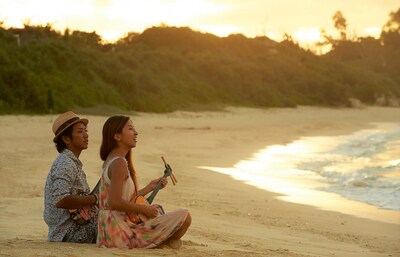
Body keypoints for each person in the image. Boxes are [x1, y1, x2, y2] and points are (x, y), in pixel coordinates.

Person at [97, 115, 191, 249]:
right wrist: (144, 209)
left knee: (157, 209)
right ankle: (163, 242)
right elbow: (114, 202)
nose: (136, 132)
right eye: (130, 128)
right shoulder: (119, 163)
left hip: (111, 230)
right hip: (120, 234)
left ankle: (162, 241)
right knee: (185, 216)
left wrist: (149, 188)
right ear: (117, 136)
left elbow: (122, 199)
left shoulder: (113, 160)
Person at [44, 111, 98, 243]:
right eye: (80, 131)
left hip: (78, 226)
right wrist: (94, 199)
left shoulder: (71, 161)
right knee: (116, 219)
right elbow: (61, 200)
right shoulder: (65, 163)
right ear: (66, 139)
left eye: (85, 130)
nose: (86, 135)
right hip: (68, 233)